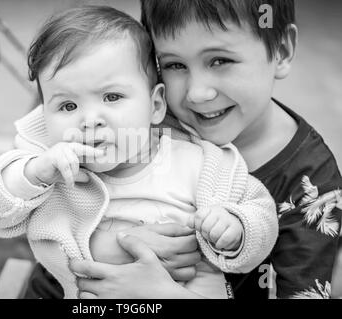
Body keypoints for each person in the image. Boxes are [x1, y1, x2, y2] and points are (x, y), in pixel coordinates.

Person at [0, 5, 278, 299]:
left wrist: (236, 228)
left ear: (155, 105)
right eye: (68, 105)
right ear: (45, 117)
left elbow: (261, 213)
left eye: (112, 96)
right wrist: (33, 173)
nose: (90, 120)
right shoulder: (54, 174)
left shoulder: (199, 163)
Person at [70, 0, 342, 299]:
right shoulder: (142, 115)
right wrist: (107, 245)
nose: (197, 93)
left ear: (281, 50)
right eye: (174, 65)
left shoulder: (310, 186)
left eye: (220, 60)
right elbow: (44, 197)